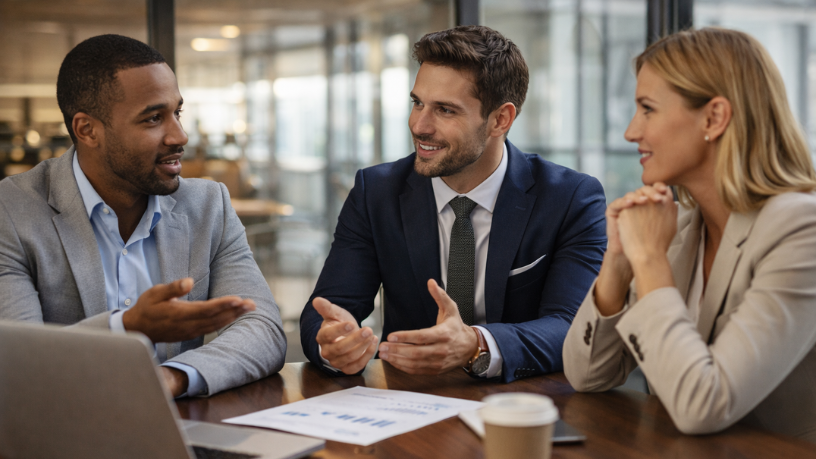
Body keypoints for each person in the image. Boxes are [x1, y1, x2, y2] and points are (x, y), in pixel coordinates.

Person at [300, 25, 607, 381]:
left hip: (526, 406)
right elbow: (325, 312)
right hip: (410, 403)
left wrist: (477, 345)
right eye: (417, 103)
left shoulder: (570, 198)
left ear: (500, 119)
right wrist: (333, 345)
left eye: (445, 110)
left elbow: (572, 327)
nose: (419, 125)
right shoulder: (376, 192)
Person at [563, 28, 816, 441]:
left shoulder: (801, 229)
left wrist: (649, 261)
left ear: (714, 118)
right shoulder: (678, 226)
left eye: (647, 109)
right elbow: (587, 374)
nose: (630, 132)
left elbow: (704, 405)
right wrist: (619, 262)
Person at [0, 34, 286, 398]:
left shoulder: (208, 204)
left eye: (176, 113)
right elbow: (15, 362)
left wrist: (173, 378)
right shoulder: (11, 210)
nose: (179, 135)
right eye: (153, 119)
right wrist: (126, 327)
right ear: (87, 130)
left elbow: (263, 328)